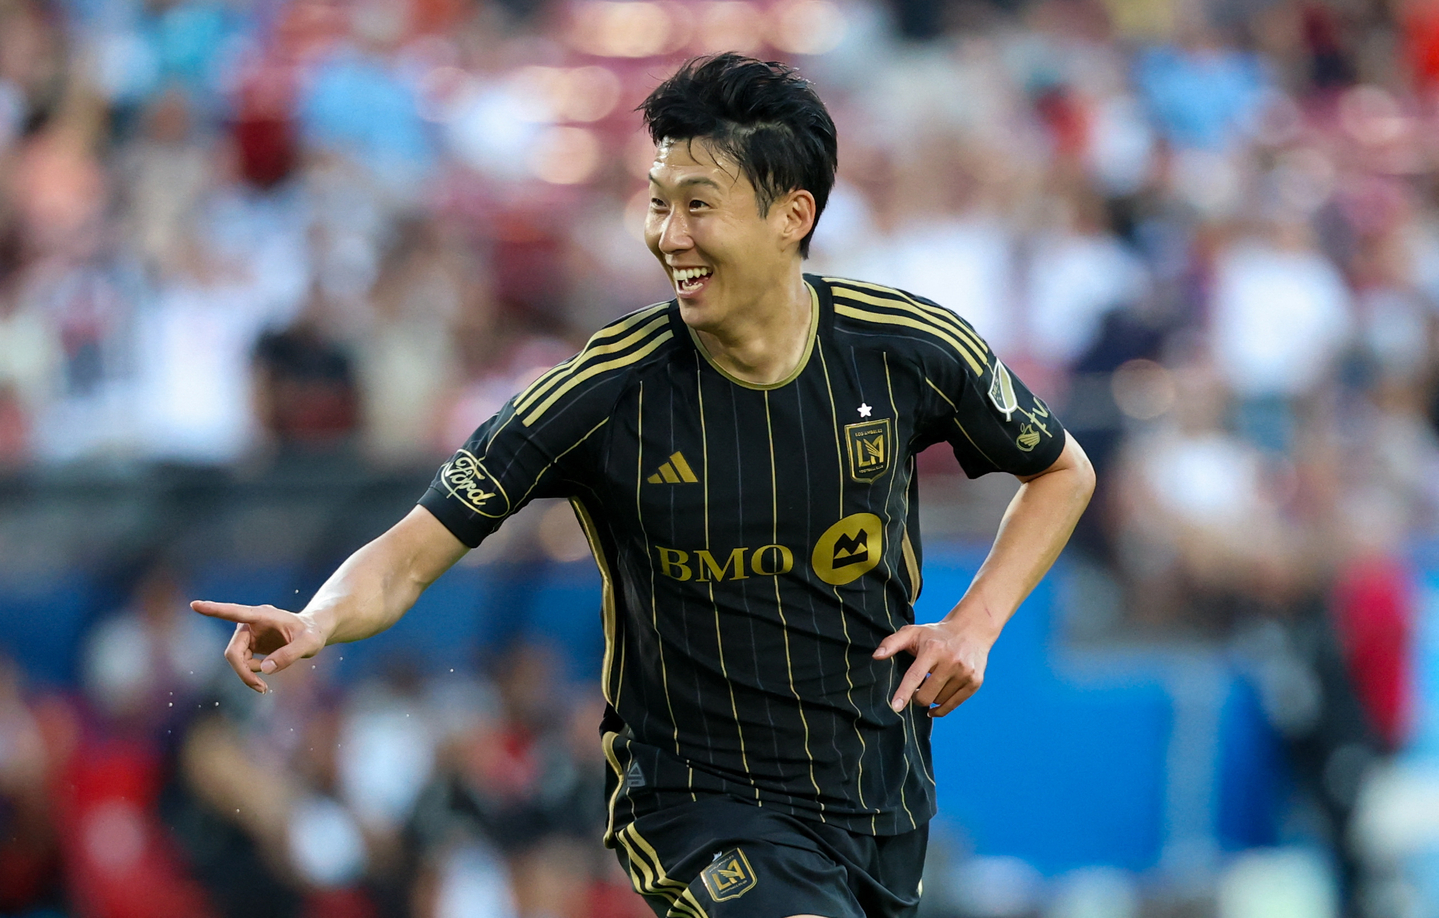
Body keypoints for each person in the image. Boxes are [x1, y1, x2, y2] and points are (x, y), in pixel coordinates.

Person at [193, 54, 1095, 918]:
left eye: (698, 206)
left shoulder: (903, 348)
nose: (669, 236)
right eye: (658, 205)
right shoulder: (602, 392)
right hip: (693, 802)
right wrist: (316, 618)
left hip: (877, 792)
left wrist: (975, 623)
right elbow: (407, 557)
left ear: (792, 214)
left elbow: (1060, 469)